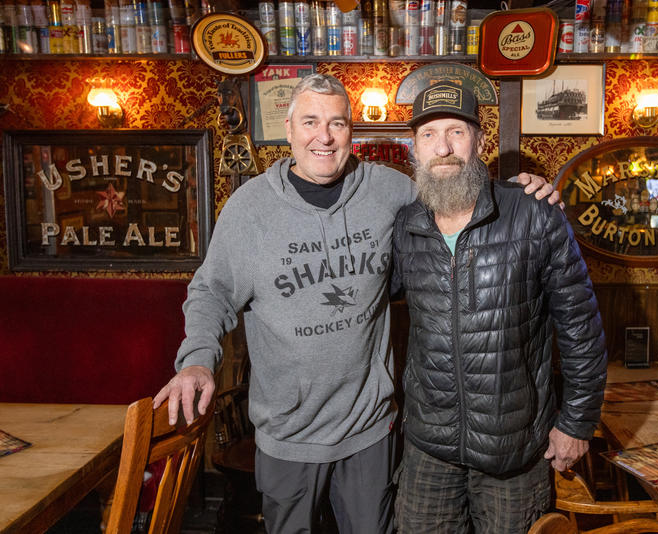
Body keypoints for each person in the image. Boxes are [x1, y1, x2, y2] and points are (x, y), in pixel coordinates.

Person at [152, 74, 560, 534]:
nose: (323, 137)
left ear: (352, 132)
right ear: (288, 129)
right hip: (289, 435)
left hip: (369, 432)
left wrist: (523, 194)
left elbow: (460, 196)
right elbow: (211, 292)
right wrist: (196, 360)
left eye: (337, 123)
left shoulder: (391, 191)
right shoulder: (249, 208)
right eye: (310, 121)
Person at [392, 82, 608, 534]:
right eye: (429, 135)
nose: (444, 147)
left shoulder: (534, 213)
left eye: (457, 131)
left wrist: (577, 423)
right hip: (428, 447)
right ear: (414, 149)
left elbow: (580, 328)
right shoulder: (405, 226)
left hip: (515, 451)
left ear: (480, 141)